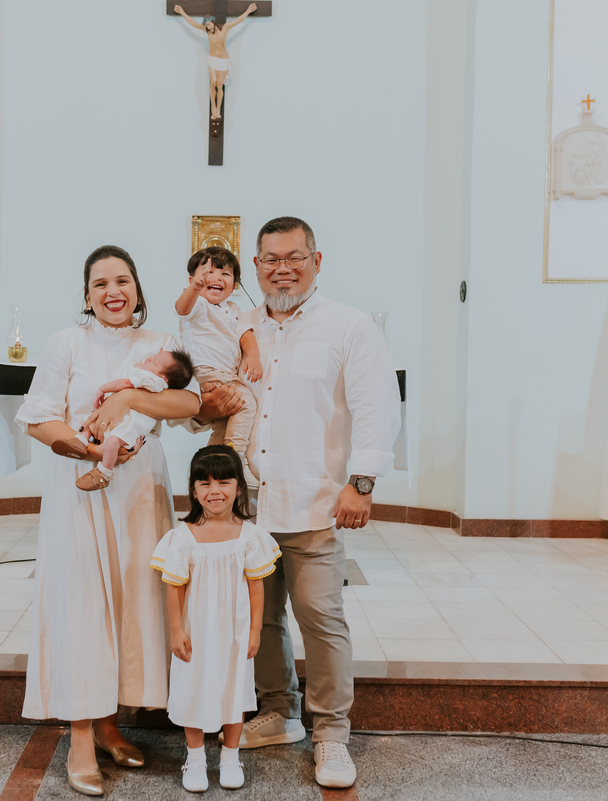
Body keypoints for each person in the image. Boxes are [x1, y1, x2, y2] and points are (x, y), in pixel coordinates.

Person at [199, 217, 401, 789]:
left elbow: (376, 406)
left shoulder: (348, 326)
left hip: (314, 500)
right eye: (270, 259)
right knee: (260, 616)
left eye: (294, 256)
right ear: (255, 265)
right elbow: (215, 397)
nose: (282, 267)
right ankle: (278, 711)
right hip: (247, 505)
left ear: (317, 259)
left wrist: (360, 482)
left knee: (320, 617)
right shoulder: (239, 326)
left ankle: (332, 734)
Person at [16, 245, 202, 797]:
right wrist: (83, 450)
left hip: (140, 493)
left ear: (138, 289)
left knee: (130, 605)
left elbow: (190, 406)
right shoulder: (65, 343)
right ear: (87, 295)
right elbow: (37, 417)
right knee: (82, 608)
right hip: (80, 492)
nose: (112, 292)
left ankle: (107, 723)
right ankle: (78, 736)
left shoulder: (161, 344)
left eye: (122, 281)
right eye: (99, 284)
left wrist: (128, 407)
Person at [152, 445, 280, 793]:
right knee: (192, 688)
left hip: (234, 633)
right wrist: (175, 630)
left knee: (234, 689)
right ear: (193, 489)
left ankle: (229, 755)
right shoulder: (182, 539)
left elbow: (256, 587)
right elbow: (174, 588)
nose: (215, 491)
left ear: (239, 487)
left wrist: (254, 629)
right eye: (205, 483)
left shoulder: (250, 538)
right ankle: (194, 757)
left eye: (224, 482)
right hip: (196, 631)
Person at [175, 247, 262, 484]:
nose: (215, 278)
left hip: (226, 374)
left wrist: (252, 355)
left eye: (225, 274)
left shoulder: (234, 310)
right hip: (206, 372)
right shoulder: (197, 305)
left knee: (224, 423)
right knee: (245, 403)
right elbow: (181, 308)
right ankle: (236, 457)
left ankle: (215, 467)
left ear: (234, 286)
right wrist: (194, 288)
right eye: (208, 272)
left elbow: (246, 335)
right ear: (193, 279)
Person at [55, 348, 195, 491]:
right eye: (152, 357)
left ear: (164, 378)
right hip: (122, 419)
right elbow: (140, 367)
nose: (149, 359)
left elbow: (125, 383)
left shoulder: (151, 380)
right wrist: (151, 360)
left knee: (110, 440)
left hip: (129, 423)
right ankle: (79, 442)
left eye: (154, 361)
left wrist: (103, 388)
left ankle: (104, 472)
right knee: (94, 422)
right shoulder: (155, 381)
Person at [174, 3, 258, 119]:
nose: (208, 28)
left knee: (219, 85)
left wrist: (248, 10)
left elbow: (238, 20)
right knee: (213, 83)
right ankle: (213, 108)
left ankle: (218, 109)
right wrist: (182, 12)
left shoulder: (225, 28)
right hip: (212, 60)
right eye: (206, 26)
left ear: (212, 22)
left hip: (223, 60)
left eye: (209, 25)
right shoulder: (207, 31)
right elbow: (192, 23)